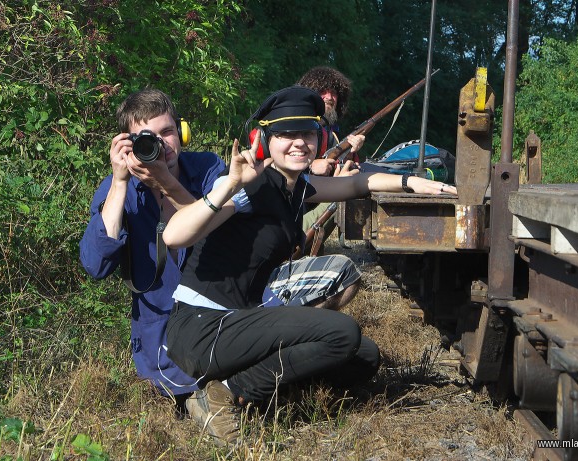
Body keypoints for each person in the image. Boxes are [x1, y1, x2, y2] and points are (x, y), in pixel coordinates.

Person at [162, 86, 457, 446]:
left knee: (363, 356)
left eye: (306, 133)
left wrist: (414, 182)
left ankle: (262, 395)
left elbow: (358, 183)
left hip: (240, 320)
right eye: (286, 135)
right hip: (202, 327)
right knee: (341, 333)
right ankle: (222, 395)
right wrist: (229, 184)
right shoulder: (250, 187)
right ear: (265, 140)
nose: (298, 143)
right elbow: (175, 235)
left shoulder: (297, 186)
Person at [79, 88, 226, 409]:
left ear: (182, 132)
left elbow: (227, 233)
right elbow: (95, 265)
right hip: (161, 336)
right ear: (128, 144)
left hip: (219, 318)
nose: (161, 144)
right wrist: (119, 182)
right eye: (147, 137)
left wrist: (166, 183)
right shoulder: (117, 188)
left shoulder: (208, 169)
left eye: (167, 132)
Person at [297, 66, 365, 254]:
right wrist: (311, 165)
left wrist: (352, 152)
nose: (329, 97)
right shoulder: (294, 127)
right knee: (341, 192)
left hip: (306, 212)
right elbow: (274, 169)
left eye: (334, 93)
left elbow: (340, 169)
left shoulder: (331, 135)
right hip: (285, 220)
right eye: (322, 91)